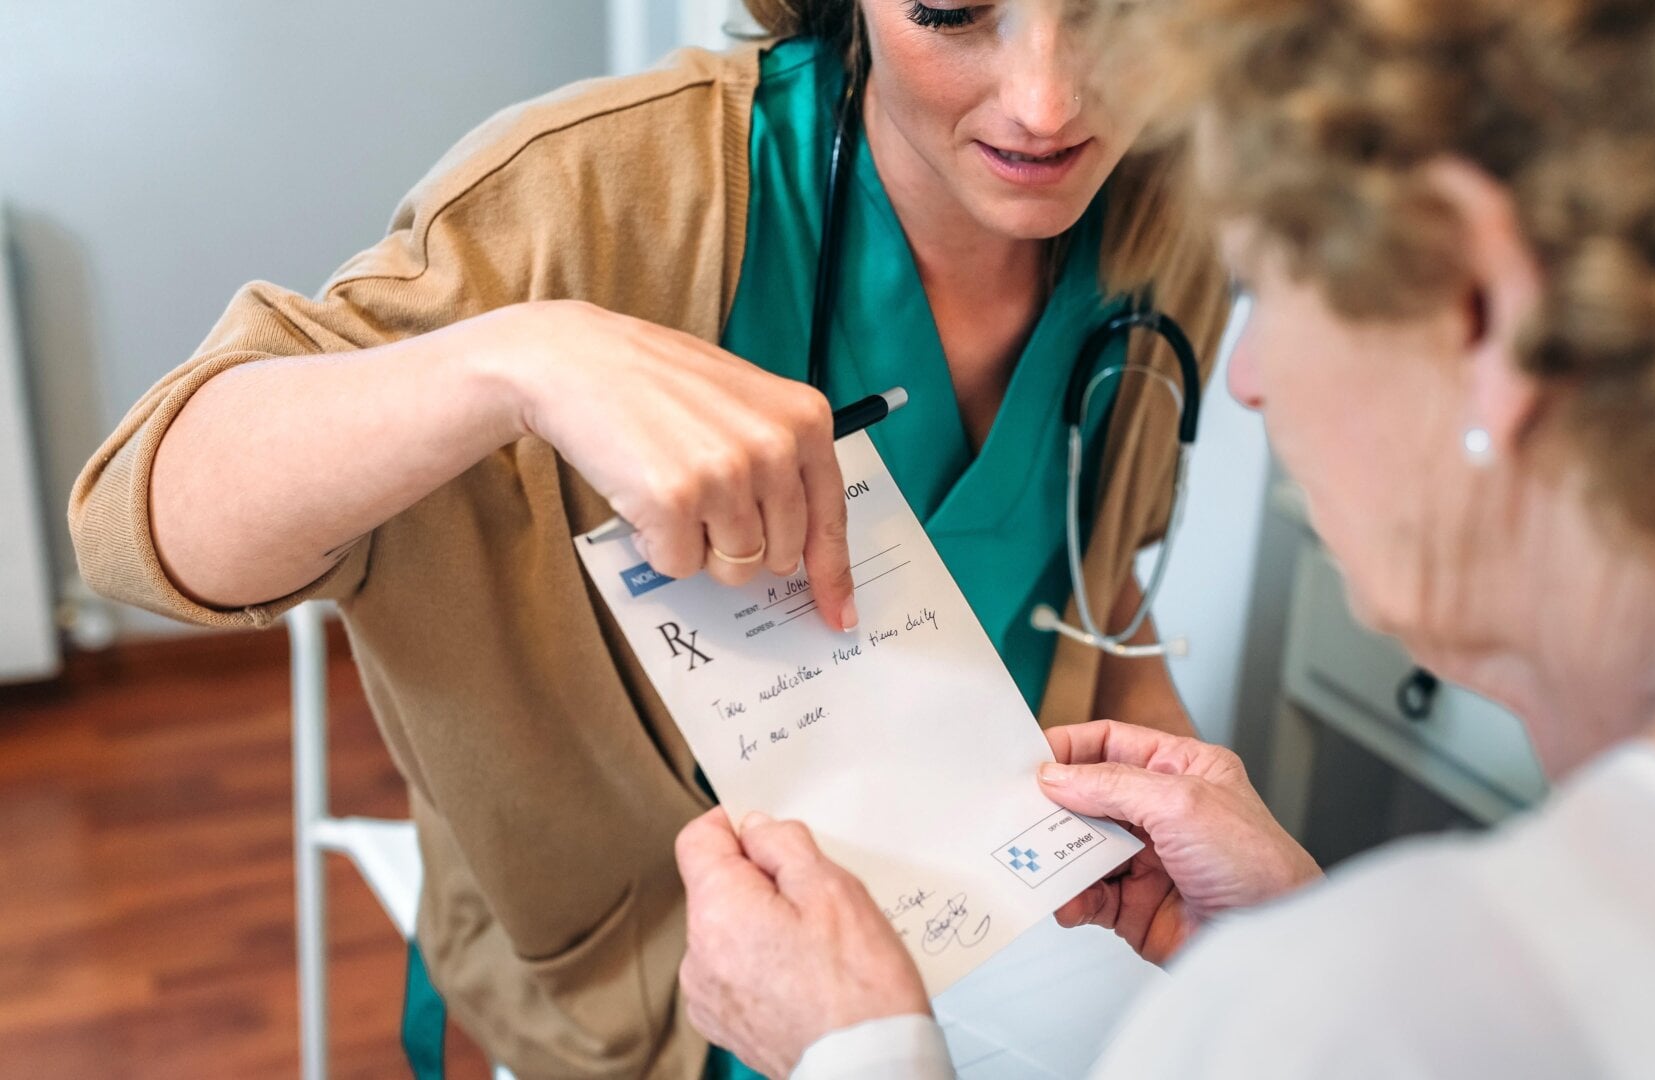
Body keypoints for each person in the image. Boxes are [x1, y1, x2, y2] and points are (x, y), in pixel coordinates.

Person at [674, 0, 1655, 1075]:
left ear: (1488, 304)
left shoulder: (1350, 1019)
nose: (1252, 377)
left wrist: (861, 1058)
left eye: (1272, 289)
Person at [68, 2, 1232, 1077]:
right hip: (626, 990)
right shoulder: (593, 200)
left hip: (1006, 911)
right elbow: (133, 521)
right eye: (951, 9)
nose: (1048, 103)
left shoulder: (1169, 210)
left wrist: (1200, 861)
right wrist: (519, 359)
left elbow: (1092, 564)